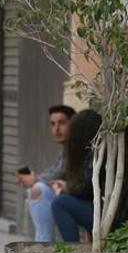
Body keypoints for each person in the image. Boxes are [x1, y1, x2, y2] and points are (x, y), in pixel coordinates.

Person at [51, 110, 128, 242]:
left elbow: (83, 190)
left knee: (60, 203)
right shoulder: (108, 149)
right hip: (115, 215)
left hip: (115, 219)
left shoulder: (97, 153)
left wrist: (67, 187)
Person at [15, 104, 75, 242]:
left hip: (77, 196)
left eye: (62, 123)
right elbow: (54, 171)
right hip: (66, 195)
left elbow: (60, 173)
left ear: (73, 124)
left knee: (38, 190)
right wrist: (35, 178)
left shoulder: (75, 147)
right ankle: (42, 242)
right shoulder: (64, 149)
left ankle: (44, 244)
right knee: (34, 189)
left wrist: (36, 180)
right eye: (52, 124)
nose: (56, 129)